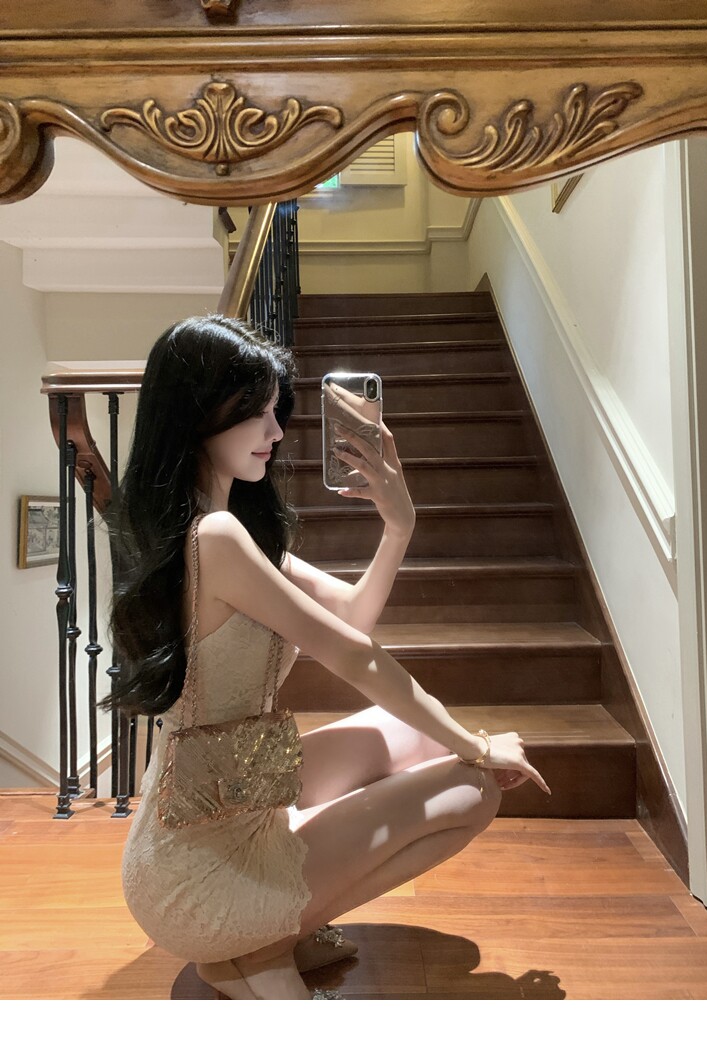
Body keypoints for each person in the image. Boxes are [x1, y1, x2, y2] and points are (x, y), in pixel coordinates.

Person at [102, 313, 550, 1001]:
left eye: (275, 411)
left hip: (216, 803)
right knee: (476, 787)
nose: (276, 432)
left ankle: (258, 940)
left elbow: (352, 617)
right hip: (196, 874)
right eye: (255, 412)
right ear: (200, 414)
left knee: (412, 734)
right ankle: (257, 947)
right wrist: (479, 745)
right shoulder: (215, 538)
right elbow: (355, 656)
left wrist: (398, 527)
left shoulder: (223, 533)